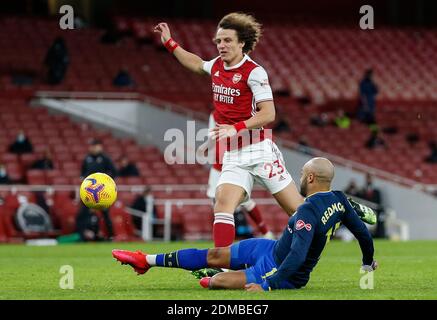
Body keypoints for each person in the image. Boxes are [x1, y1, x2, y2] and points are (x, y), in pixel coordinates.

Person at [154, 13, 304, 249]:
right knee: (222, 205)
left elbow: (268, 114)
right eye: (218, 41)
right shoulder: (215, 65)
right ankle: (221, 265)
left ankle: (339, 214)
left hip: (259, 149)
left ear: (241, 42)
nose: (221, 46)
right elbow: (195, 63)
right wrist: (171, 44)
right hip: (233, 154)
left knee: (297, 210)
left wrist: (234, 129)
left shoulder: (255, 72)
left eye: (227, 40)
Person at [112, 157, 378, 291]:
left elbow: (297, 255)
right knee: (215, 254)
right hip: (270, 249)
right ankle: (146, 260)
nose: (299, 178)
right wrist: (368, 261)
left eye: (301, 175)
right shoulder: (342, 201)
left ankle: (213, 278)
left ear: (310, 177)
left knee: (214, 283)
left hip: (283, 271)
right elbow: (363, 235)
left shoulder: (308, 212)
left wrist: (268, 285)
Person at [203, 113, 275, 240]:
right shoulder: (214, 115)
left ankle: (265, 232)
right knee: (217, 202)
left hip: (237, 163)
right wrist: (207, 147)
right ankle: (225, 237)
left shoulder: (243, 113)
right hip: (218, 168)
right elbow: (212, 135)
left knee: (245, 201)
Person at [81, 139, 117, 239]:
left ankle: (110, 236)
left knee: (105, 215)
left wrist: (106, 182)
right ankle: (84, 236)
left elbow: (114, 172)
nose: (92, 148)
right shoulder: (87, 159)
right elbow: (82, 173)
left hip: (102, 192)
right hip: (88, 191)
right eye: (92, 146)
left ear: (100, 146)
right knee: (84, 214)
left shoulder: (105, 159)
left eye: (95, 145)